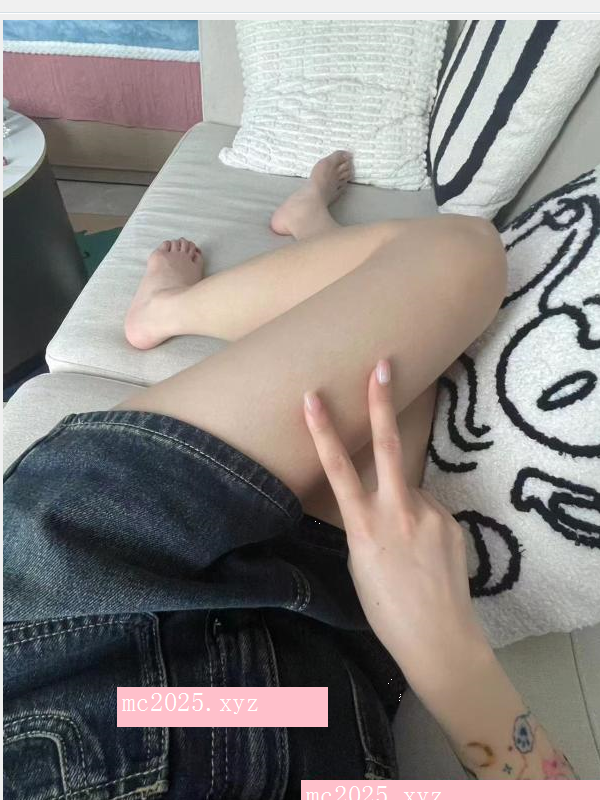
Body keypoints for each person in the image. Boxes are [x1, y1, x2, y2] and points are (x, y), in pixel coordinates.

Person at [4, 152, 575, 797]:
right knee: (406, 373)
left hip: (85, 613)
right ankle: (316, 236)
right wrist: (451, 659)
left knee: (461, 259)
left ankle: (167, 311)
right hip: (302, 698)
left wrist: (457, 670)